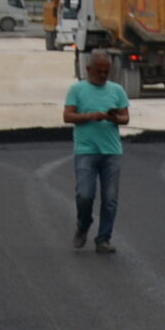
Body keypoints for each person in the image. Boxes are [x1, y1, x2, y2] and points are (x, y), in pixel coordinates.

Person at [62, 50, 131, 254]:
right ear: (88, 69)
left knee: (110, 199)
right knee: (85, 195)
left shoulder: (117, 90)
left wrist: (113, 119)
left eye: (106, 71)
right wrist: (92, 116)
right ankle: (83, 225)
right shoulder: (77, 89)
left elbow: (125, 118)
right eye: (99, 71)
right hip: (86, 150)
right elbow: (67, 116)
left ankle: (103, 239)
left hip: (112, 152)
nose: (103, 75)